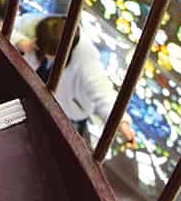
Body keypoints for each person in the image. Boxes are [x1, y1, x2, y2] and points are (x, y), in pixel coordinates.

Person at [17, 12, 134, 147]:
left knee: (59, 144)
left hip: (70, 110)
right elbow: (17, 25)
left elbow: (105, 94)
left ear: (60, 53)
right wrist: (21, 42)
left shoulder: (87, 62)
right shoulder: (44, 25)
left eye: (46, 52)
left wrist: (121, 124)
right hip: (41, 81)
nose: (36, 45)